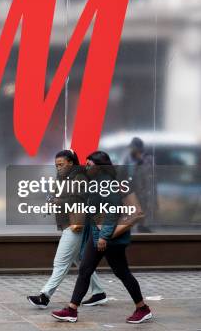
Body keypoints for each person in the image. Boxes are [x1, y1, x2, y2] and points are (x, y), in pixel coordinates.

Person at [52, 151, 152, 324]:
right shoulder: (98, 183)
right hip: (99, 233)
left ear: (99, 166)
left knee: (122, 272)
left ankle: (142, 308)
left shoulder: (113, 184)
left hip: (110, 236)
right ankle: (72, 309)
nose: (86, 167)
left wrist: (106, 236)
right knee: (86, 270)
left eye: (89, 164)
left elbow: (122, 212)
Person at [27, 150, 107, 308]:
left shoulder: (79, 177)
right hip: (67, 223)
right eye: (56, 165)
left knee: (61, 262)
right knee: (81, 262)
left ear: (71, 163)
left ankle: (45, 295)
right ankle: (98, 292)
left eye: (61, 164)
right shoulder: (63, 177)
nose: (58, 168)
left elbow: (80, 199)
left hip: (76, 224)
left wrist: (58, 201)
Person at [123, 137, 156, 233]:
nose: (131, 150)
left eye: (133, 148)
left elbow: (149, 175)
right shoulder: (128, 158)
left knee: (143, 208)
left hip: (144, 190)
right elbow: (124, 172)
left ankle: (142, 226)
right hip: (131, 188)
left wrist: (140, 160)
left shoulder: (148, 159)